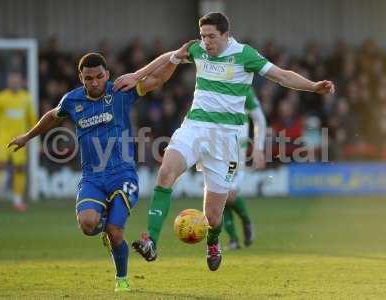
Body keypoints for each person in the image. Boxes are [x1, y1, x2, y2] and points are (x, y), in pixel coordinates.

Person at [116, 12, 335, 271]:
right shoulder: (198, 50)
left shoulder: (245, 55)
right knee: (166, 173)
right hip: (194, 127)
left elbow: (282, 75)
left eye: (211, 36)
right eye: (202, 36)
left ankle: (213, 242)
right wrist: (136, 74)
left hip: (225, 139)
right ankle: (151, 240)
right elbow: (169, 57)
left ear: (225, 35)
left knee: (213, 215)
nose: (206, 42)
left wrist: (313, 86)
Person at [7, 45, 189, 292]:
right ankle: (104, 224)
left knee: (115, 231)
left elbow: (156, 80)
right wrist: (27, 137)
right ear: (81, 78)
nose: (94, 82)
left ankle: (122, 279)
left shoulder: (121, 91)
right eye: (88, 78)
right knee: (88, 225)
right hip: (92, 177)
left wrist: (175, 60)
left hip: (123, 174)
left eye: (99, 76)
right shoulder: (72, 100)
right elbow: (52, 116)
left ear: (108, 73)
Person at [0, 71, 36, 212]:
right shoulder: (1, 97)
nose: (14, 83)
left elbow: (31, 119)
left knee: (19, 168)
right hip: (3, 139)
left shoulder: (26, 98)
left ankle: (17, 200)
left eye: (16, 80)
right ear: (8, 82)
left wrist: (33, 137)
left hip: (20, 139)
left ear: (21, 82)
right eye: (11, 80)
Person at [224, 88, 267, 250]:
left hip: (237, 157)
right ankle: (234, 240)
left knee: (227, 196)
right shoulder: (211, 85)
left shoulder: (244, 89)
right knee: (217, 197)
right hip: (215, 146)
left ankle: (245, 220)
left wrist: (258, 148)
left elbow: (259, 119)